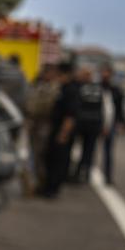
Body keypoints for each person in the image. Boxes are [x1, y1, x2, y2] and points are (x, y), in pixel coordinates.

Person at [41, 62, 79, 198]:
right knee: (50, 159)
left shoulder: (71, 90)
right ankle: (48, 186)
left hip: (62, 131)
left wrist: (63, 134)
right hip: (55, 129)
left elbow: (70, 116)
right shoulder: (61, 88)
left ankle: (53, 189)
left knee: (58, 161)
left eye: (59, 74)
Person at [22, 65, 59, 195]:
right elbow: (29, 102)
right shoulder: (38, 85)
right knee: (33, 155)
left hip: (44, 124)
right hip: (34, 124)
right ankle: (36, 183)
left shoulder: (54, 88)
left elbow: (44, 106)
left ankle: (42, 184)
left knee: (40, 156)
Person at [71, 67, 105, 183]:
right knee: (88, 151)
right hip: (92, 124)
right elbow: (102, 109)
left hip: (83, 124)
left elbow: (76, 106)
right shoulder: (98, 89)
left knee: (84, 150)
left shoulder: (80, 88)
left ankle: (79, 174)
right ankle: (83, 174)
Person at [100, 65, 125, 185]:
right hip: (95, 124)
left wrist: (121, 123)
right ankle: (83, 174)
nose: (105, 75)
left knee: (108, 152)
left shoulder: (116, 90)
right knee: (87, 149)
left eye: (108, 73)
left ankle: (108, 177)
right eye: (104, 72)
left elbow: (120, 109)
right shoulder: (95, 87)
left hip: (110, 124)